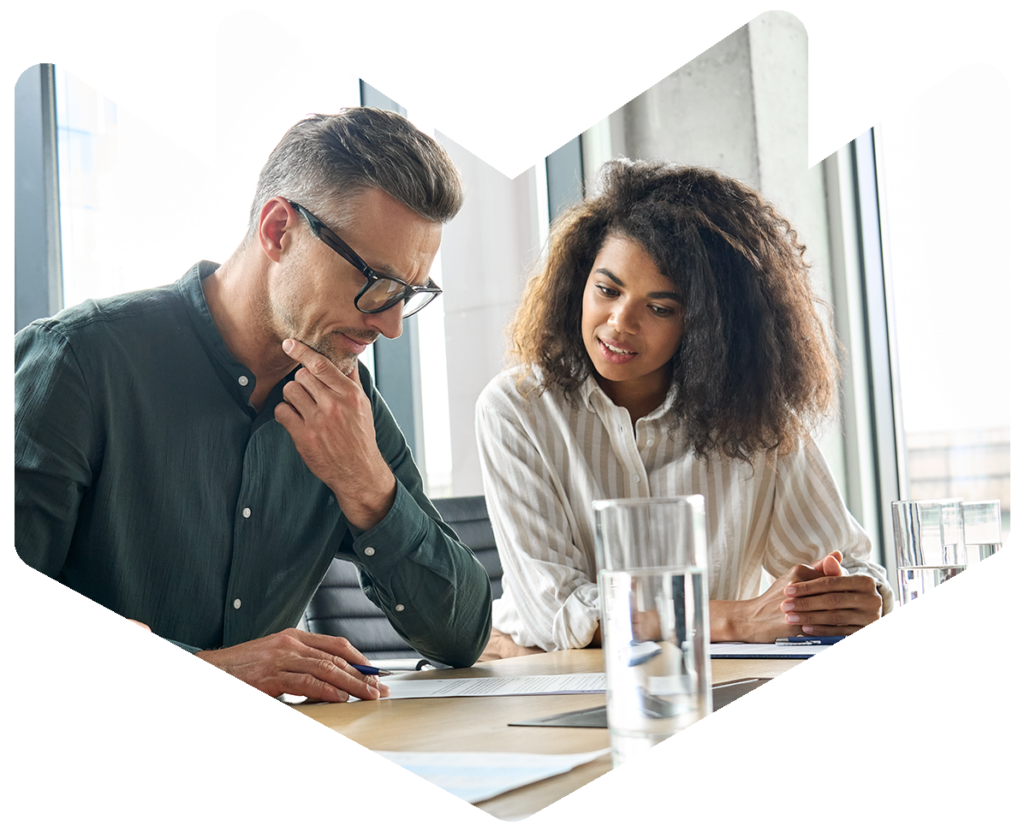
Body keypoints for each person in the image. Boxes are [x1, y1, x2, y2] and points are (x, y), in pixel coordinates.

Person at [14, 108, 492, 695]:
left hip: (264, 773)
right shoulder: (80, 362)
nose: (391, 326)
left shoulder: (345, 401)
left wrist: (368, 486)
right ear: (278, 230)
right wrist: (197, 676)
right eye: (377, 283)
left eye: (409, 294)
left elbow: (462, 635)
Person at [475, 159, 893, 658]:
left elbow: (854, 567)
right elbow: (559, 614)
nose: (619, 322)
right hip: (540, 675)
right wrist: (737, 619)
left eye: (660, 308)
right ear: (578, 284)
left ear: (706, 326)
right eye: (607, 290)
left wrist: (836, 596)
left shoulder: (758, 419)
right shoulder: (517, 409)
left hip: (710, 682)